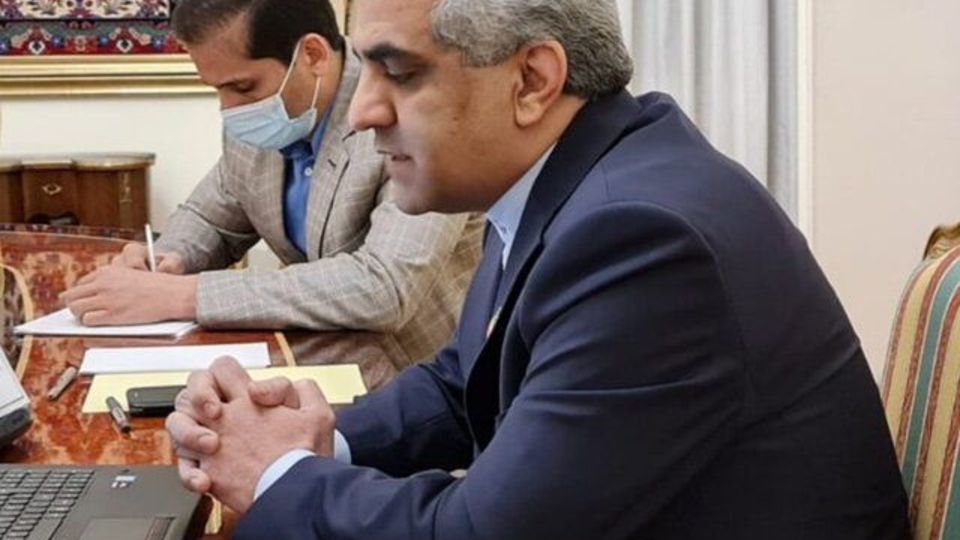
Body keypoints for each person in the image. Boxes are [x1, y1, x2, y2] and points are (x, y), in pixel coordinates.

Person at [167, 0, 911, 538]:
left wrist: (279, 476)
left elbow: (478, 533)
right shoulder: (579, 179)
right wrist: (316, 435)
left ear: (532, 80)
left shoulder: (642, 241)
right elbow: (464, 383)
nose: (363, 113)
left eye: (398, 72)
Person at [60, 0, 482, 367]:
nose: (228, 108)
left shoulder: (407, 113)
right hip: (320, 363)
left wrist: (182, 296)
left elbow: (383, 286)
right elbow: (212, 217)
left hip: (427, 385)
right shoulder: (259, 119)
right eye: (217, 89)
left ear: (312, 55)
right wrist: (166, 262)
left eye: (242, 86)